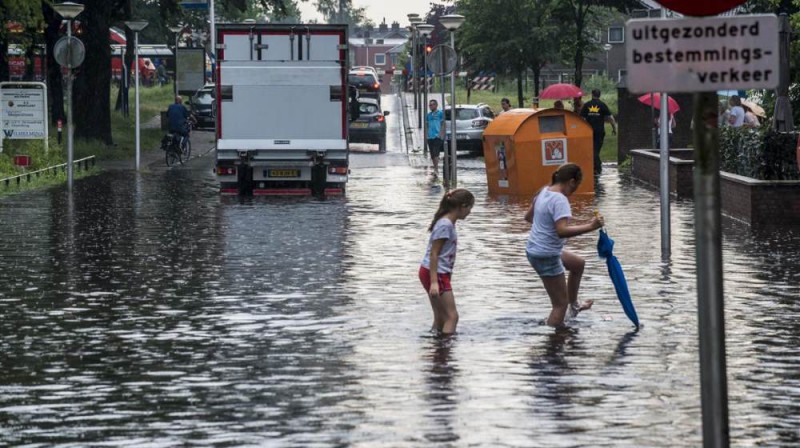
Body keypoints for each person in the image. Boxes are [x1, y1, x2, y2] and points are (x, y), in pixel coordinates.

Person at [524, 164, 604, 328]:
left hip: (534, 249)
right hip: (546, 254)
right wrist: (591, 226)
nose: (575, 191)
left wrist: (546, 226)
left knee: (578, 264)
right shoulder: (560, 199)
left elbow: (528, 217)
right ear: (572, 182)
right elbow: (561, 231)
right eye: (577, 186)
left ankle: (573, 306)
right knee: (559, 305)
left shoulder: (543, 191)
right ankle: (553, 344)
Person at [419, 189, 475, 335]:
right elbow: (434, 253)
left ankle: (435, 347)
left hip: (433, 272)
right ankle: (445, 350)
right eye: (469, 207)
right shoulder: (446, 225)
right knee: (452, 316)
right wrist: (434, 282)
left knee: (440, 317)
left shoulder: (447, 221)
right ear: (462, 206)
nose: (470, 212)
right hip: (436, 274)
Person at [580, 89, 617, 175]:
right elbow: (611, 118)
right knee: (596, 149)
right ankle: (597, 167)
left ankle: (596, 167)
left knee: (593, 150)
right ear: (599, 95)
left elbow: (581, 119)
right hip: (600, 131)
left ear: (592, 94)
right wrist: (614, 128)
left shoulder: (587, 105)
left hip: (588, 131)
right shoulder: (602, 105)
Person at [426, 99, 445, 177]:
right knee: (432, 154)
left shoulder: (440, 113)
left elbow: (443, 124)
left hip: (437, 136)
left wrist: (441, 134)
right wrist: (426, 135)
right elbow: (427, 125)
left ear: (436, 105)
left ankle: (436, 170)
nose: (430, 106)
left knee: (436, 153)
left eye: (432, 105)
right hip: (430, 137)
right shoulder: (428, 115)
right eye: (429, 105)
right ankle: (435, 168)